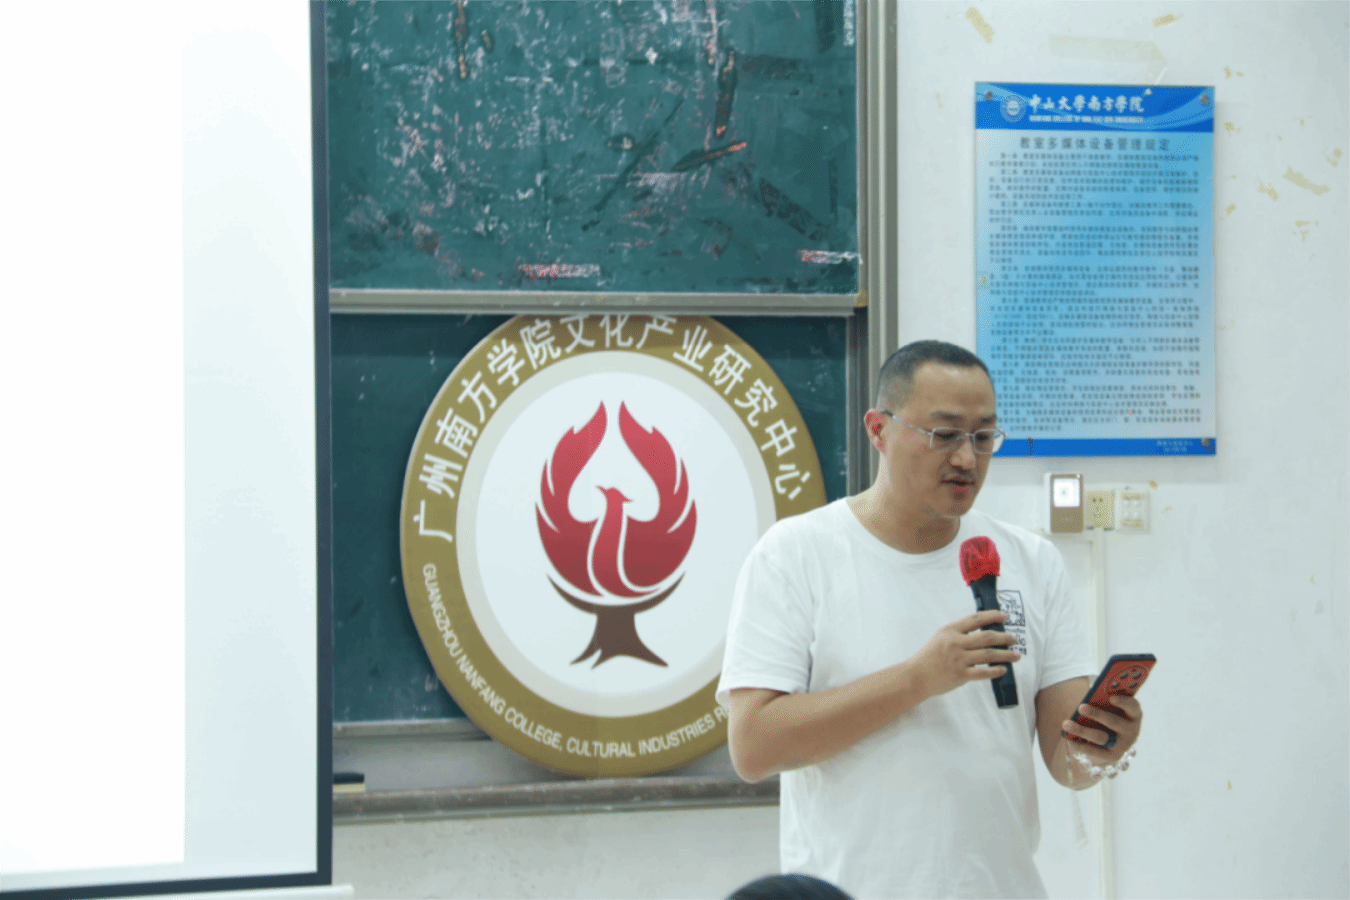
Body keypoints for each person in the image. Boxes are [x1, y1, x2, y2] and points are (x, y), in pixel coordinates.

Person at [717, 340, 1144, 900]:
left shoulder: (1031, 562)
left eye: (983, 437)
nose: (966, 459)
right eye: (944, 435)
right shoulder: (795, 555)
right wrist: (918, 679)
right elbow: (753, 747)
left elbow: (1068, 764)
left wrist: (1104, 743)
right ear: (879, 430)